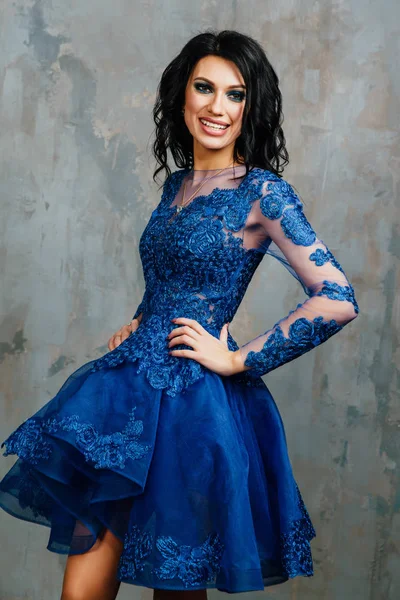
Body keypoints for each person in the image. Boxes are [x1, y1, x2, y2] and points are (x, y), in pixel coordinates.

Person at [0, 29, 359, 599]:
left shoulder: (263, 191)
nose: (218, 107)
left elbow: (337, 297)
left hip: (192, 405)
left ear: (251, 107)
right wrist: (141, 319)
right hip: (127, 398)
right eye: (204, 88)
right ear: (182, 97)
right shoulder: (176, 186)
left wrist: (240, 358)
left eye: (235, 94)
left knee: (174, 588)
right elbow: (171, 278)